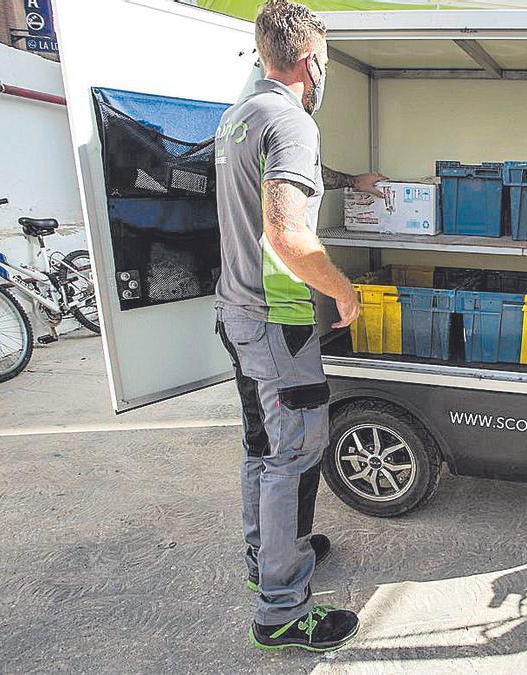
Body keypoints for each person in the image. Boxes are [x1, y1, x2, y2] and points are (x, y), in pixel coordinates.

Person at [212, 0, 384, 652]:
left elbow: (283, 183)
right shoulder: (291, 122)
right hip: (277, 317)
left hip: (235, 310)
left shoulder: (240, 117)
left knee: (262, 446)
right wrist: (342, 289)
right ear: (311, 60)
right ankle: (282, 608)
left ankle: (267, 555)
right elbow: (285, 230)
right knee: (294, 454)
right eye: (326, 62)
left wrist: (351, 181)